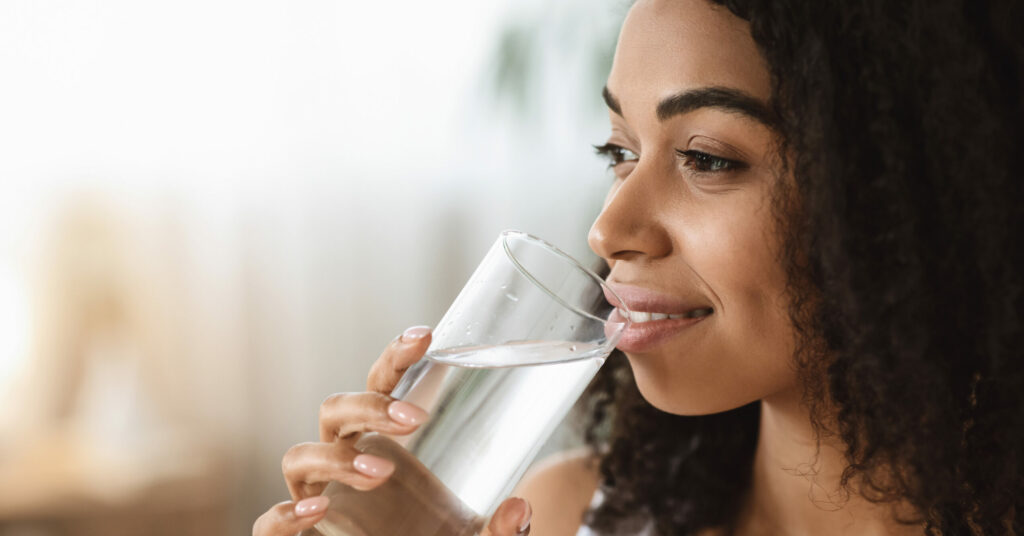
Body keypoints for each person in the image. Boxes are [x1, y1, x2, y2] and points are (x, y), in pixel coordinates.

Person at [254, 0, 1023, 534]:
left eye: (706, 157)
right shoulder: (554, 515)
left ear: (907, 196)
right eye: (619, 151)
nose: (608, 227)